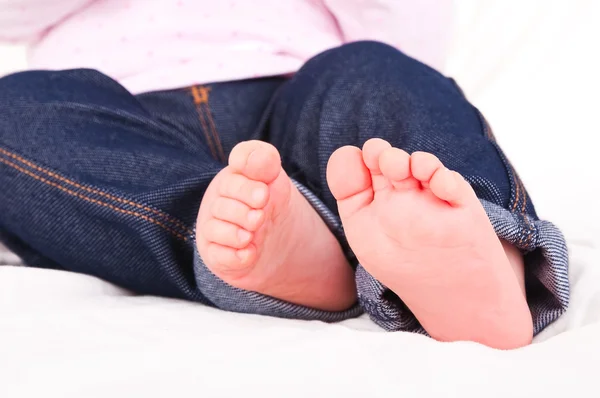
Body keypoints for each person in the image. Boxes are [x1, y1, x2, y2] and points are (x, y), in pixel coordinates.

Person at [0, 0, 568, 349]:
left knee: (375, 68)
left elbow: (414, 37)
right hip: (121, 124)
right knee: (12, 113)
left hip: (298, 97)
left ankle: (487, 259)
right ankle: (278, 255)